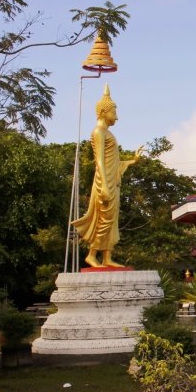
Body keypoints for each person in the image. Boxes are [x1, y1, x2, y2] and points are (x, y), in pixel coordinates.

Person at [73, 84, 143, 267]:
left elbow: (113, 162)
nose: (117, 117)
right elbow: (100, 161)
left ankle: (107, 257)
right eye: (114, 112)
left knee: (112, 220)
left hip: (113, 181)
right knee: (105, 219)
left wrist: (132, 161)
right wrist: (103, 184)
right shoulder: (98, 132)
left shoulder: (108, 133)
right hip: (105, 182)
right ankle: (91, 254)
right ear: (104, 111)